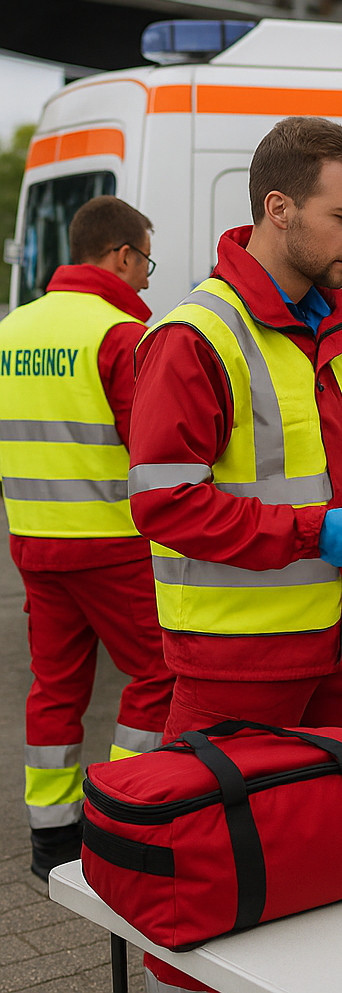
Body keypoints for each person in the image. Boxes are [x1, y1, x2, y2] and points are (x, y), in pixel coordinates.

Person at [127, 116, 342, 993]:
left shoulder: (327, 322)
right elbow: (164, 502)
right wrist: (314, 534)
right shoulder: (195, 335)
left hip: (332, 646)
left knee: (334, 856)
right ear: (278, 208)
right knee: (207, 885)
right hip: (233, 662)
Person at [0, 196, 175, 881]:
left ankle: (52, 843)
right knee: (159, 674)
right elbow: (153, 451)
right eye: (146, 263)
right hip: (113, 545)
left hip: (35, 545)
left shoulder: (13, 329)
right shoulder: (120, 335)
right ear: (121, 255)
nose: (148, 281)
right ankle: (122, 817)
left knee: (54, 689)